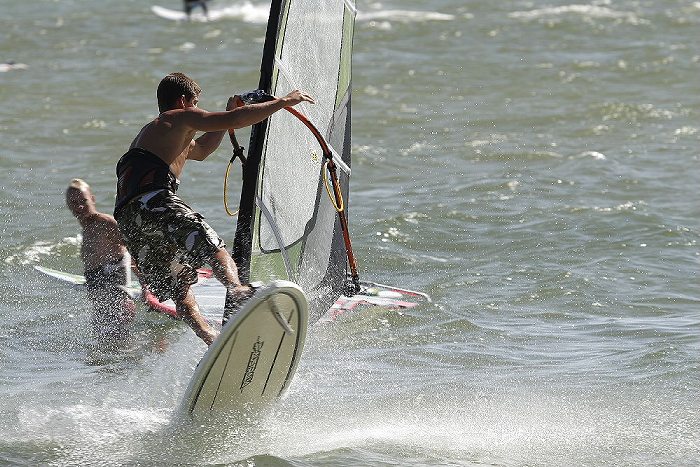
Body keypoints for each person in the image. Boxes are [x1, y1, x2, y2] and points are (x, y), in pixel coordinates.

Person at [113, 72, 314, 345]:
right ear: (184, 101)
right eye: (195, 102)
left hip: (130, 220)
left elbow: (204, 149)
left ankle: (209, 337)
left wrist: (229, 113)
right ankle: (237, 289)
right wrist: (283, 102)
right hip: (153, 201)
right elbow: (234, 121)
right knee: (209, 241)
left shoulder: (163, 133)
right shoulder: (178, 117)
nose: (197, 108)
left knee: (178, 280)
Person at [66, 179, 136, 340]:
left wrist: (147, 287)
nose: (79, 206)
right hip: (101, 308)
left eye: (83, 200)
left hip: (119, 306)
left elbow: (133, 250)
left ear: (92, 199)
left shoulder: (105, 223)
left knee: (122, 353)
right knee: (103, 358)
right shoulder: (88, 229)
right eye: (74, 203)